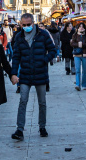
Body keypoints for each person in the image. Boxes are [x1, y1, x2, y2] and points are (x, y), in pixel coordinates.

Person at [10, 13, 56, 141]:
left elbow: (53, 50)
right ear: (20, 24)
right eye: (23, 25)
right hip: (25, 74)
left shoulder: (43, 34)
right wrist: (13, 74)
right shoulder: (19, 37)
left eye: (28, 25)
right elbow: (16, 57)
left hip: (40, 73)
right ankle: (20, 129)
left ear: (33, 23)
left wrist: (44, 60)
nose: (26, 27)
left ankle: (42, 127)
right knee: (23, 101)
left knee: (42, 102)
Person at [70, 23, 86, 91]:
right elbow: (72, 43)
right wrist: (79, 44)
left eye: (82, 26)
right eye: (80, 27)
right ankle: (77, 84)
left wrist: (81, 45)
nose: (81, 28)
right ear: (77, 28)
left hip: (85, 54)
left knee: (84, 70)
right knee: (77, 70)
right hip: (77, 54)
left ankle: (84, 85)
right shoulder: (75, 35)